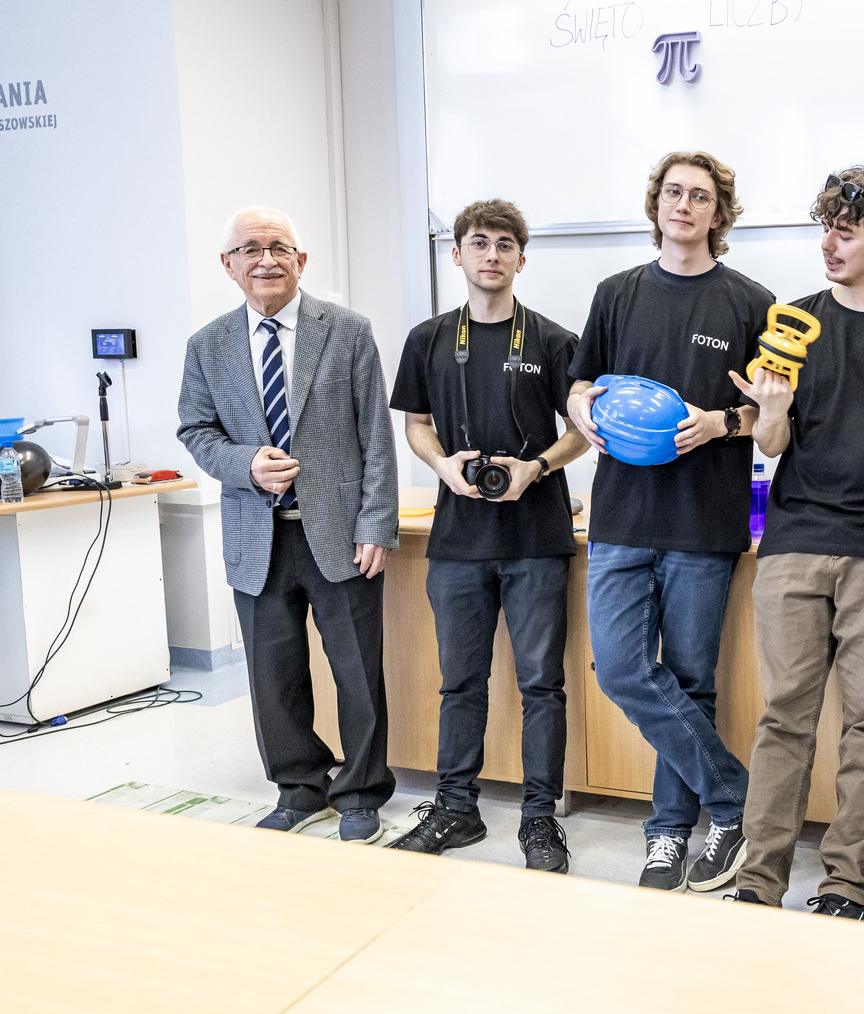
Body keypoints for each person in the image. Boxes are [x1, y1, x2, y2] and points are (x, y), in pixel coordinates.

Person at [727, 167, 864, 920]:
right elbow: (770, 443)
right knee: (784, 717)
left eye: (846, 233)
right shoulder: (792, 322)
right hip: (794, 541)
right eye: (824, 230)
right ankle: (759, 878)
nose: (829, 245)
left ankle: (844, 886)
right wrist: (771, 408)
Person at [566, 151, 769, 892]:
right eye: (673, 192)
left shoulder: (750, 302)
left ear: (719, 213)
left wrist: (721, 422)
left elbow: (772, 416)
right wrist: (580, 409)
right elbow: (580, 385)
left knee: (690, 680)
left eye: (700, 196)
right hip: (621, 518)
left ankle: (668, 834)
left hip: (703, 521)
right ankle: (734, 799)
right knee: (622, 669)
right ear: (657, 204)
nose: (684, 204)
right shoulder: (616, 294)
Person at [177, 206, 398, 843]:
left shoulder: (347, 330)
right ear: (229, 265)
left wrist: (376, 525)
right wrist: (245, 464)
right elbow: (196, 430)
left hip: (340, 536)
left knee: (357, 673)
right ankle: (300, 788)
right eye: (250, 249)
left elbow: (375, 434)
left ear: (301, 260)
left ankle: (360, 793)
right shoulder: (208, 344)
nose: (266, 259)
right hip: (257, 538)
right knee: (274, 677)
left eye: (279, 247)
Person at [388, 199, 590, 871]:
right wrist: (443, 465)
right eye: (479, 242)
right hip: (458, 539)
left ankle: (540, 819)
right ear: (457, 254)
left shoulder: (555, 341)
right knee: (460, 683)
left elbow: (582, 430)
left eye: (505, 244)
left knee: (542, 686)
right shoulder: (427, 339)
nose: (492, 255)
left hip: (537, 537)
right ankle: (455, 809)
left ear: (521, 260)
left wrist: (536, 468)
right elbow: (417, 422)